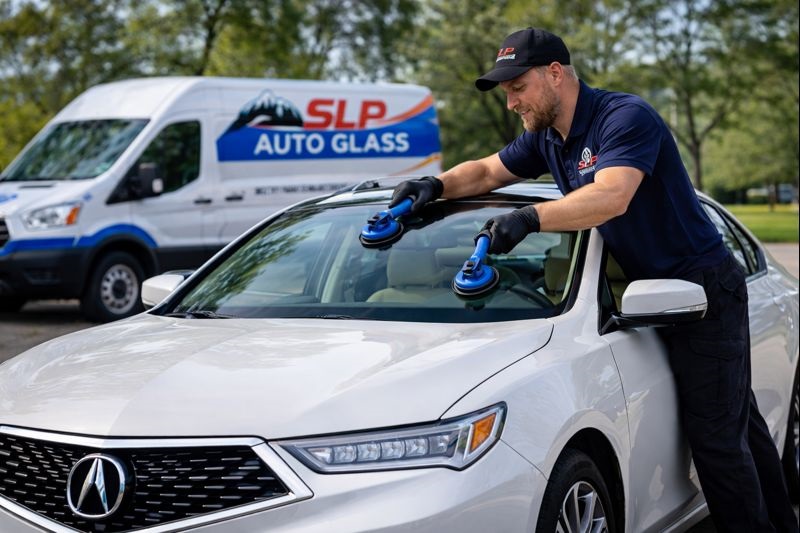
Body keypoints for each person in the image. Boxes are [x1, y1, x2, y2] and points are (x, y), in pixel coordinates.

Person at [391, 27, 798, 533]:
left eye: (517, 87)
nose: (511, 100)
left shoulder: (624, 118)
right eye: (506, 90)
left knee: (717, 442)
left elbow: (611, 195)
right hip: (653, 295)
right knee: (743, 432)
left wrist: (531, 219)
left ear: (555, 75)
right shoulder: (547, 138)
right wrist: (435, 185)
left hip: (702, 291)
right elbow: (486, 172)